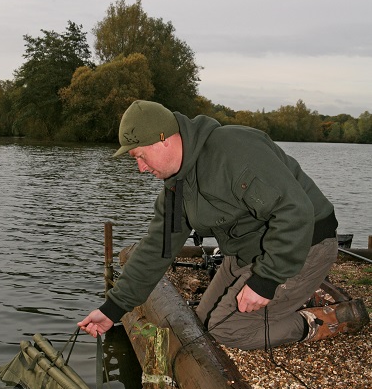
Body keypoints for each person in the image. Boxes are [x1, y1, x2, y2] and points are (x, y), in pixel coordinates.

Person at [78, 100, 369, 350]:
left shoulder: (234, 149)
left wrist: (266, 281)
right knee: (204, 322)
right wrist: (112, 308)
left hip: (305, 245)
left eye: (140, 156)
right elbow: (157, 248)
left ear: (163, 139)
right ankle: (292, 298)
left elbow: (295, 212)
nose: (140, 167)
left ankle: (322, 321)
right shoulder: (176, 186)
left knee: (226, 330)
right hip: (247, 253)